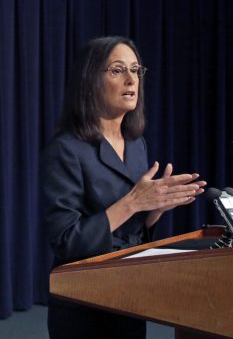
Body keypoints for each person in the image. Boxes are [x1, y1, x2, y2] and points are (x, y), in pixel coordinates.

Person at [41, 36, 206, 339]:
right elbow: (66, 241)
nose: (132, 80)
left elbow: (131, 230)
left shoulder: (135, 143)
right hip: (85, 299)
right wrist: (133, 202)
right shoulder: (65, 149)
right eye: (117, 70)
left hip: (128, 290)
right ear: (90, 80)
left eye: (136, 70)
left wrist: (154, 208)